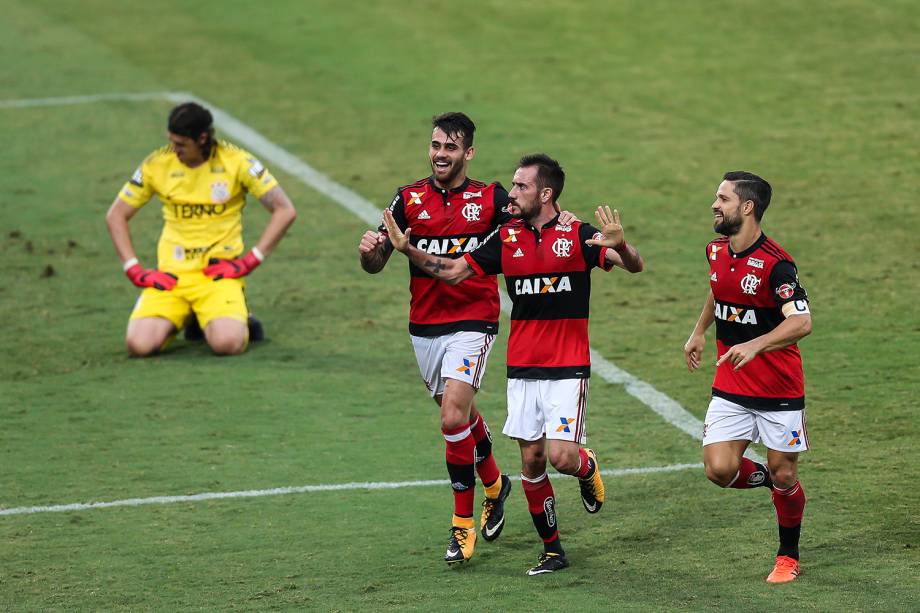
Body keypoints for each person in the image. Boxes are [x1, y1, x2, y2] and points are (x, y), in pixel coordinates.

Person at [383, 153, 644, 575]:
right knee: (532, 463)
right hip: (522, 368)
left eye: (521, 186)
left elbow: (633, 266)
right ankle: (553, 551)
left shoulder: (577, 234)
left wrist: (623, 246)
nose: (512, 193)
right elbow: (452, 272)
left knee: (560, 457)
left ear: (545, 193)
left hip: (567, 366)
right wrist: (406, 248)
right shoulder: (507, 238)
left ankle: (586, 465)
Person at [360, 113, 578, 565]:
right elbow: (379, 260)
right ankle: (496, 484)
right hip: (425, 326)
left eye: (451, 147)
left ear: (468, 153)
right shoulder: (407, 199)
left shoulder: (490, 198)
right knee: (458, 418)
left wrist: (565, 218)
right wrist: (370, 252)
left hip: (474, 321)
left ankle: (461, 526)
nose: (441, 154)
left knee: (451, 416)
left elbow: (536, 212)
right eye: (436, 145)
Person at [683, 171, 812, 584]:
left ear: (747, 207)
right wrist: (699, 331)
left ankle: (787, 556)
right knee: (719, 469)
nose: (714, 205)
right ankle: (769, 483)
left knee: (786, 473)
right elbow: (719, 288)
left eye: (722, 199)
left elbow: (803, 323)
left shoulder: (777, 264)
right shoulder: (716, 251)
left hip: (779, 390)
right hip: (732, 386)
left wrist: (756, 345)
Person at [105, 102, 297, 357]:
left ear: (202, 138)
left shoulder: (236, 161)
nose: (175, 150)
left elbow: (284, 210)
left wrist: (250, 261)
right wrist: (134, 269)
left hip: (216, 276)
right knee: (138, 346)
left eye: (182, 144)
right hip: (172, 276)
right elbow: (116, 214)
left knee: (227, 344)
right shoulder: (157, 164)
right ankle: (193, 316)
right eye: (172, 142)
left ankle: (234, 317)